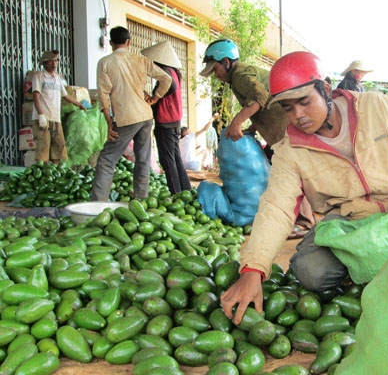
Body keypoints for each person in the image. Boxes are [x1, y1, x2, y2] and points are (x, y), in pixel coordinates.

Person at [220, 51, 388, 324]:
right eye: (288, 107)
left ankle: (378, 268)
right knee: (310, 271)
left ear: (326, 88)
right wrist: (253, 269)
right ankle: (360, 273)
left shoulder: (377, 107)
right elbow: (276, 207)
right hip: (347, 222)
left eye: (304, 102)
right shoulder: (289, 151)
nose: (298, 115)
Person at [200, 39, 315, 236]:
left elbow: (260, 97)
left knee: (292, 173)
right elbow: (264, 103)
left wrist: (237, 122)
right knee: (280, 173)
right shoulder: (238, 76)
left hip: (284, 130)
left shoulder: (241, 75)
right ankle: (291, 216)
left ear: (226, 62)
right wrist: (252, 127)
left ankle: (305, 222)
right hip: (278, 130)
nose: (216, 75)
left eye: (216, 68)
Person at [91, 26, 172, 201]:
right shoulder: (140, 60)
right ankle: (141, 200)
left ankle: (97, 204)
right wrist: (155, 98)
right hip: (145, 115)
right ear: (129, 42)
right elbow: (167, 78)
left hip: (126, 117)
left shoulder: (105, 62)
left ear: (111, 43)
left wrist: (108, 121)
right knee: (143, 160)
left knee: (106, 160)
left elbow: (103, 94)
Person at [141, 41, 190, 194]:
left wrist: (155, 98)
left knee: (168, 161)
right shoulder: (174, 72)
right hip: (174, 121)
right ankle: (186, 192)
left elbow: (171, 87)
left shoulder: (166, 74)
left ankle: (176, 194)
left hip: (166, 121)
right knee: (175, 158)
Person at [31, 50, 86, 163]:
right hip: (43, 119)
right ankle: (43, 173)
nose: (54, 63)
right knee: (43, 148)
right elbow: (36, 96)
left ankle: (56, 173)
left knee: (58, 147)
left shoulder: (58, 78)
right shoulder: (39, 76)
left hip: (55, 118)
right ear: (45, 63)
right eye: (51, 61)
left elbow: (65, 96)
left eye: (56, 61)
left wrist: (79, 104)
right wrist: (40, 115)